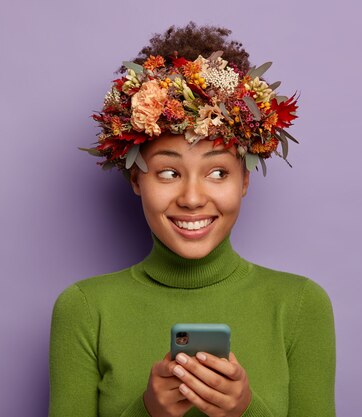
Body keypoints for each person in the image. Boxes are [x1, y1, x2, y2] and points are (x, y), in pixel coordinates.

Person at [48, 22, 336, 417]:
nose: (193, 198)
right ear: (136, 179)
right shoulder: (84, 309)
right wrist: (148, 411)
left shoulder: (301, 305)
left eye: (218, 173)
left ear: (244, 181)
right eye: (169, 173)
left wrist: (244, 410)